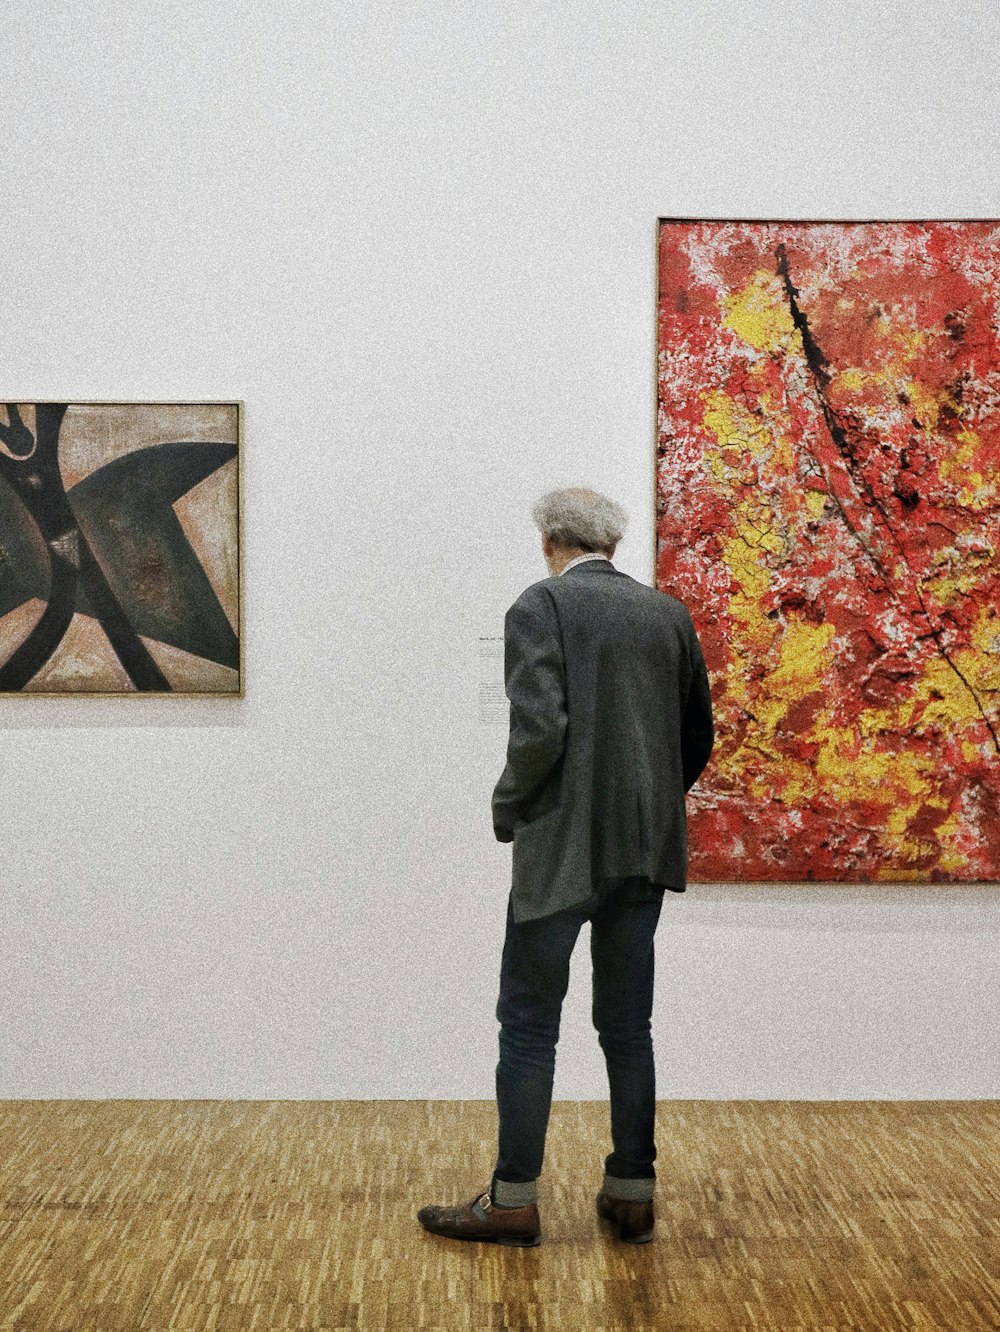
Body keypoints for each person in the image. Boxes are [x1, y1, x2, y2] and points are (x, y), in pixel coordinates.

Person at [417, 486, 714, 1247]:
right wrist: (649, 803)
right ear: (611, 544)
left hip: (559, 851)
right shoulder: (668, 615)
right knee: (627, 1025)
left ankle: (512, 1199)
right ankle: (631, 1191)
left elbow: (539, 732)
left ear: (550, 540)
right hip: (643, 853)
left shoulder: (539, 607)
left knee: (527, 1027)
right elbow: (696, 737)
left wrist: (507, 806)